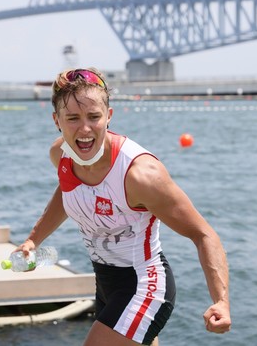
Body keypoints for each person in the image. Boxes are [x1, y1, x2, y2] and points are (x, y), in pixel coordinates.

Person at [14, 68, 231, 345]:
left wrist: (221, 301)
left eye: (94, 117)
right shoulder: (61, 156)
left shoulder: (140, 175)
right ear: (57, 120)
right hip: (105, 284)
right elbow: (67, 191)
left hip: (145, 286)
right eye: (72, 119)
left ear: (109, 116)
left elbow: (204, 234)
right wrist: (33, 240)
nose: (84, 130)